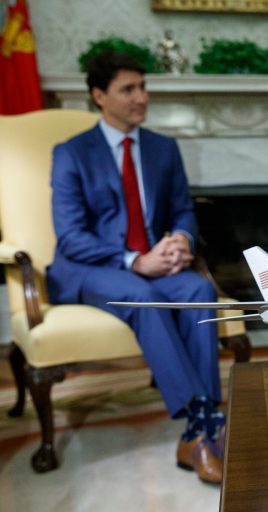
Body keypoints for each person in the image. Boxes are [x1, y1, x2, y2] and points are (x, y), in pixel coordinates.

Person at [47, 51, 225, 484]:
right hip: (91, 267)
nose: (141, 97)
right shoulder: (72, 153)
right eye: (128, 89)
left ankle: (197, 432)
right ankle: (203, 424)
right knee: (140, 294)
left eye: (143, 87)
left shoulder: (164, 149)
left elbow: (183, 211)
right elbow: (71, 235)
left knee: (200, 291)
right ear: (99, 96)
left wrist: (180, 241)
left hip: (155, 263)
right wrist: (134, 260)